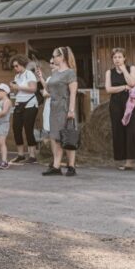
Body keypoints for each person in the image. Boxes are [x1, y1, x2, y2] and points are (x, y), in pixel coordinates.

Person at [105, 48, 135, 173]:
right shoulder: (109, 72)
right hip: (116, 104)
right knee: (120, 132)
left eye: (119, 57)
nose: (117, 59)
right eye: (114, 57)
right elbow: (108, 89)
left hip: (131, 103)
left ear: (124, 58)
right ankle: (128, 162)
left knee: (133, 131)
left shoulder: (132, 68)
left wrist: (124, 69)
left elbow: (133, 83)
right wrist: (124, 87)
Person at [42, 46, 78, 176]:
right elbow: (50, 90)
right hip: (54, 107)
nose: (52, 58)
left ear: (62, 57)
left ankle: (71, 166)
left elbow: (73, 92)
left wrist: (71, 110)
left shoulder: (70, 72)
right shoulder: (55, 73)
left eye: (54, 56)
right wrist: (41, 79)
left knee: (67, 136)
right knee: (56, 137)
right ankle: (56, 166)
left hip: (64, 107)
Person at [9, 55, 38, 164]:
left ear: (22, 64)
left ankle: (32, 155)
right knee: (16, 128)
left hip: (30, 104)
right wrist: (13, 88)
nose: (15, 68)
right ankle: (20, 154)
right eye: (14, 66)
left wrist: (18, 87)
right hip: (19, 103)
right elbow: (17, 92)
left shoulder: (29, 74)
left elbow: (33, 89)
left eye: (17, 66)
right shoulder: (17, 76)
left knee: (28, 129)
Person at [35, 58, 58, 142]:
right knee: (47, 133)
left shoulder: (63, 78)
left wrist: (50, 93)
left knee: (57, 135)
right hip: (48, 108)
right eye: (50, 63)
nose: (51, 65)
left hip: (58, 110)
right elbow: (45, 93)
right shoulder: (49, 79)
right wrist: (40, 77)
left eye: (53, 63)